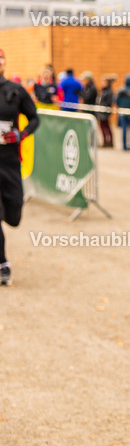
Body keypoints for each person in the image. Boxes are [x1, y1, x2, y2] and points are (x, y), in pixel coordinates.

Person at [0, 48, 40, 286]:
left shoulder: (14, 91)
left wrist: (21, 133)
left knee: (13, 216)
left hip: (10, 161)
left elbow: (35, 117)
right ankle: (3, 263)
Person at [116, 76, 130, 151]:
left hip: (123, 112)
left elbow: (116, 100)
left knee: (124, 129)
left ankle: (124, 146)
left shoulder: (121, 90)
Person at [98, 75, 115, 147]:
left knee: (105, 126)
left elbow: (109, 102)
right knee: (104, 126)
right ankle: (106, 141)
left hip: (105, 111)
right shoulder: (103, 91)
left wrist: (103, 106)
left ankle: (109, 141)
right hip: (101, 111)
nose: (102, 83)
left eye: (103, 82)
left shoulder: (109, 92)